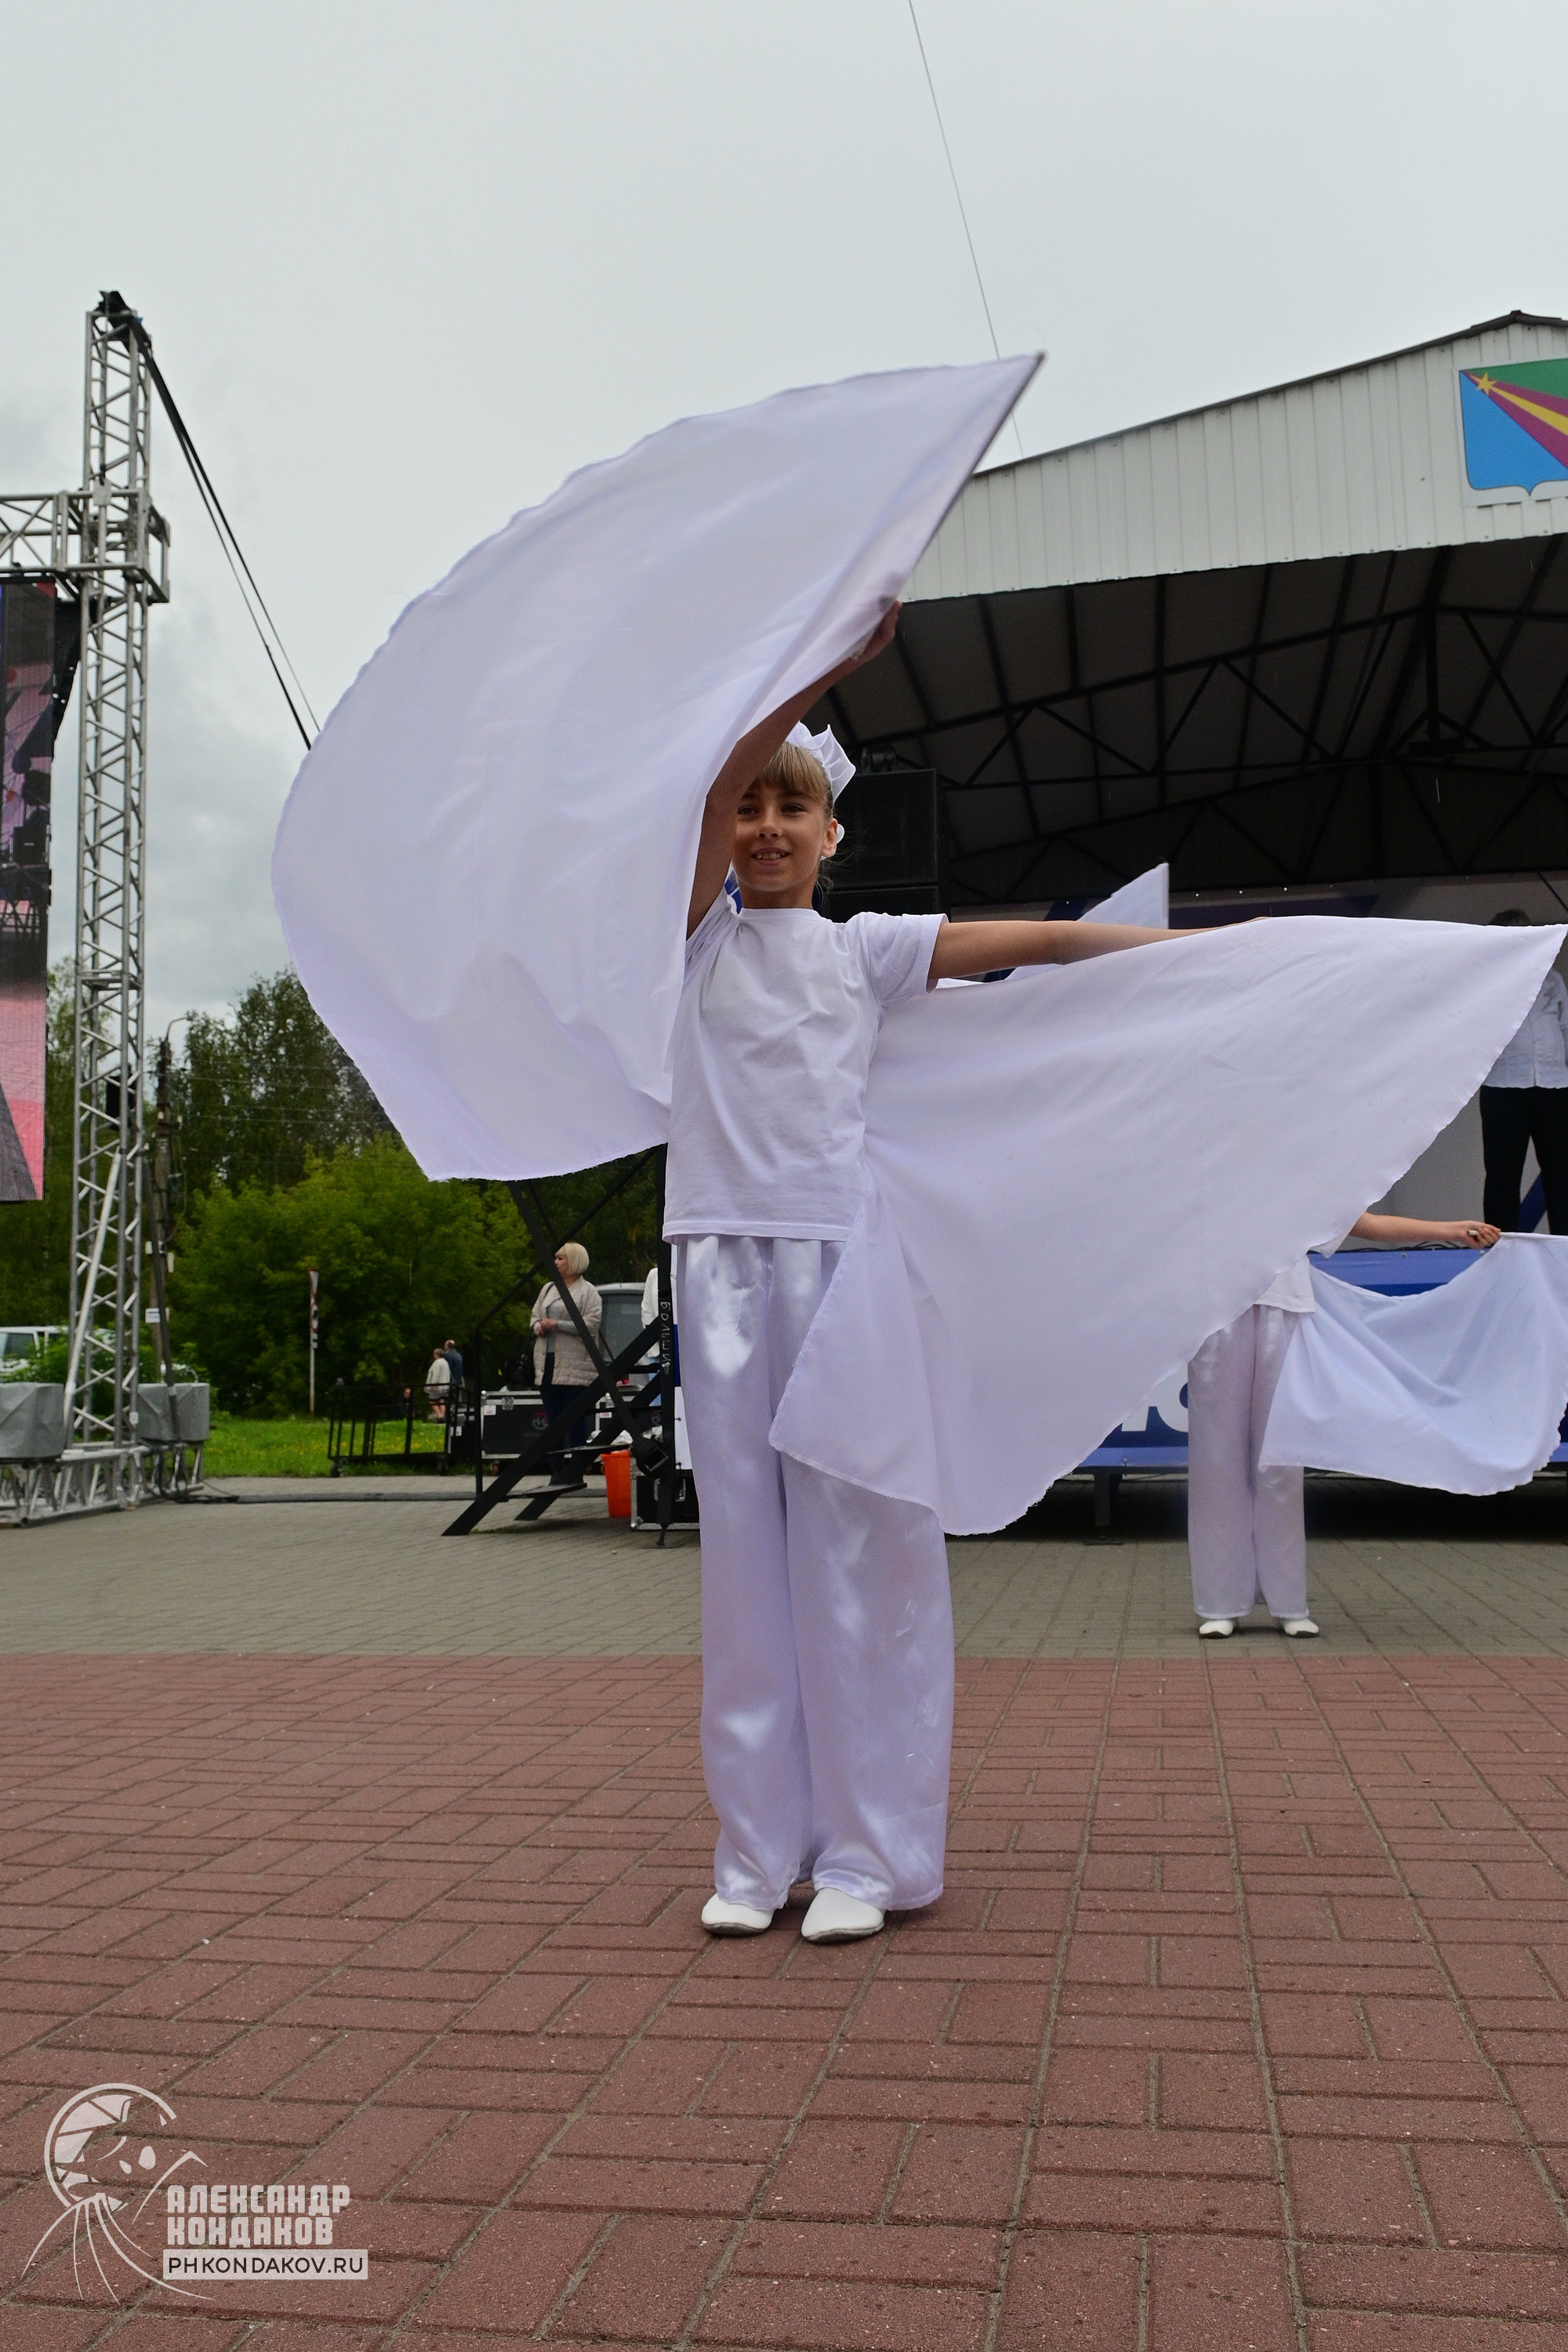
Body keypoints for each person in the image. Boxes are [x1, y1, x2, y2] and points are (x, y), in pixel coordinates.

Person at [670, 612, 1177, 1947]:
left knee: (859, 1556)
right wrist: (808, 676)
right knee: (745, 1570)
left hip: (843, 1276)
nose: (770, 825)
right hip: (717, 1268)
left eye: (798, 807)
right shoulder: (689, 945)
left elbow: (1044, 947)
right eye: (753, 808)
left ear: (835, 834)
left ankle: (869, 1856)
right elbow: (709, 782)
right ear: (726, 830)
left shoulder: (865, 952)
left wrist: (1189, 958)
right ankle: (755, 1851)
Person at [1188, 1208, 1500, 1640]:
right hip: (1215, 1318)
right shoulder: (1205, 1171)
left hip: (1286, 1310)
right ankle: (1220, 1603)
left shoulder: (1297, 1177)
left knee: (1281, 1460)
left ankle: (1288, 1602)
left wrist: (1448, 1230)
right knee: (1216, 1461)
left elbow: (1362, 1221)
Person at [1479, 909, 1568, 1234]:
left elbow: (1566, 1028)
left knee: (1562, 1174)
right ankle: (1500, 1253)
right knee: (1503, 1176)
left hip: (1555, 1086)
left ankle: (1565, 1255)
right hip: (1504, 1086)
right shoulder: (1486, 983)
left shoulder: (1552, 980)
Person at [531, 1243, 604, 1467]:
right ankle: (556, 1469)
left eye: (560, 1258)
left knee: (575, 1419)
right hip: (548, 1361)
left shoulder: (589, 1292)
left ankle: (577, 1467)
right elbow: (534, 1315)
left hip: (575, 1364)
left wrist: (557, 1324)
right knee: (553, 1419)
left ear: (574, 1261)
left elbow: (591, 1325)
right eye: (555, 1258)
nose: (555, 1262)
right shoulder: (548, 1289)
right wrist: (537, 1326)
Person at [423, 1344, 451, 1421]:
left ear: (437, 1354)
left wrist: (432, 1384)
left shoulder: (437, 1363)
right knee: (441, 1400)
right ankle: (443, 1415)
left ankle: (439, 1416)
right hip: (445, 1386)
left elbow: (436, 1374)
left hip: (437, 1386)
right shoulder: (445, 1362)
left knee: (432, 1400)